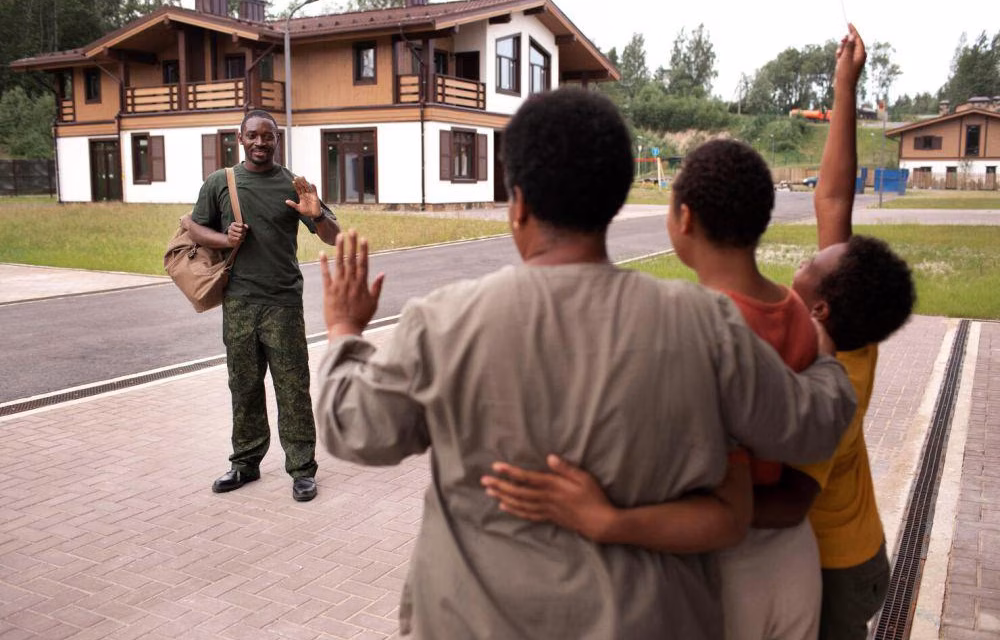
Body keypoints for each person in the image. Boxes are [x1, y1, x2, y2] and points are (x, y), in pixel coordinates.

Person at [312, 87, 858, 638]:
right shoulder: (705, 325)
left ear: (518, 202)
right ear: (616, 200)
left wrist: (344, 328)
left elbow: (355, 428)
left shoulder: (444, 321)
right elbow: (810, 431)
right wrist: (826, 357)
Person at [484, 25, 915, 640]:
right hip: (803, 559)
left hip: (830, 562)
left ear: (682, 219)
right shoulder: (826, 323)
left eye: (812, 267)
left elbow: (783, 501)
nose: (807, 262)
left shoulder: (790, 362)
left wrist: (626, 516)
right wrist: (844, 85)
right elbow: (834, 199)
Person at [184, 109, 340, 502]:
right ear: (240, 138)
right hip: (238, 302)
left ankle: (302, 469)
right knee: (245, 386)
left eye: (267, 136)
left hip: (283, 303)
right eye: (252, 136)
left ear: (276, 140)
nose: (259, 143)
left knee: (293, 388)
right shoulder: (221, 182)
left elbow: (334, 237)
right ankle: (245, 463)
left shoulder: (294, 184)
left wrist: (316, 213)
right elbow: (194, 226)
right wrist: (224, 239)